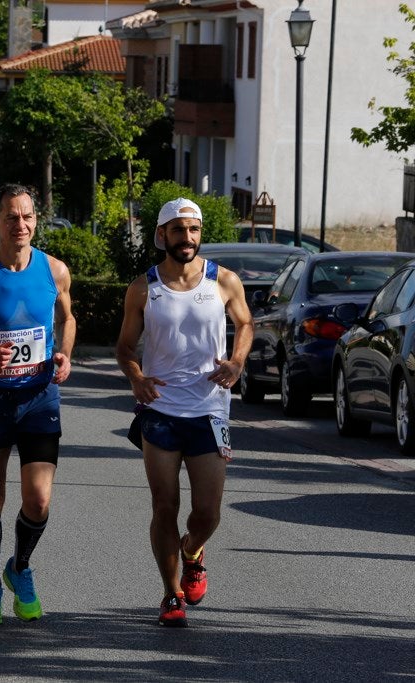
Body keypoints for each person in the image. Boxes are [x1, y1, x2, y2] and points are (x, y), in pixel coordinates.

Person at [115, 197, 253, 628]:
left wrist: (237, 362)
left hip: (210, 409)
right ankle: (171, 594)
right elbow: (124, 347)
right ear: (162, 235)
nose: (187, 238)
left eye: (193, 230)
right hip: (160, 410)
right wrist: (136, 376)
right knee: (164, 505)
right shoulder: (143, 288)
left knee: (208, 511)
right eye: (178, 230)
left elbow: (245, 324)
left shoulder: (224, 282)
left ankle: (193, 549)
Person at [0, 183, 75, 624]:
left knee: (38, 501)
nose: (19, 225)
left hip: (40, 396)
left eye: (27, 216)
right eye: (10, 217)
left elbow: (67, 317)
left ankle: (18, 567)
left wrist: (65, 354)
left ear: (35, 220)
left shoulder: (54, 270)